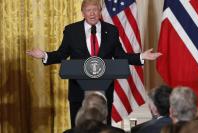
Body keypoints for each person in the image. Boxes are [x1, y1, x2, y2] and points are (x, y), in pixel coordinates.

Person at [26, 0, 159, 127]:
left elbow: (120, 56)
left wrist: (141, 56)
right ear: (82, 12)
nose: (92, 13)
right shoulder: (72, 30)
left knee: (103, 128)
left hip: (104, 90)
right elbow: (62, 54)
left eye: (95, 10)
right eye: (88, 10)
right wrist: (44, 55)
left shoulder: (112, 30)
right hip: (78, 90)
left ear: (100, 11)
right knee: (78, 128)